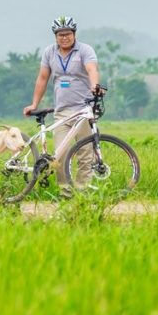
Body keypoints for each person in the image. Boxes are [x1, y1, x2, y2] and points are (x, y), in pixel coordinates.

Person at [22, 16, 102, 188]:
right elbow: (42, 78)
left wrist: (95, 87)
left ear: (74, 34)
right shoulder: (49, 52)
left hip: (82, 111)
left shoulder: (85, 50)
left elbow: (92, 70)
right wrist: (34, 104)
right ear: (55, 36)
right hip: (62, 112)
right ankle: (65, 193)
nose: (64, 37)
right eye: (60, 35)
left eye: (67, 34)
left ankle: (82, 193)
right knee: (60, 155)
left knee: (85, 155)